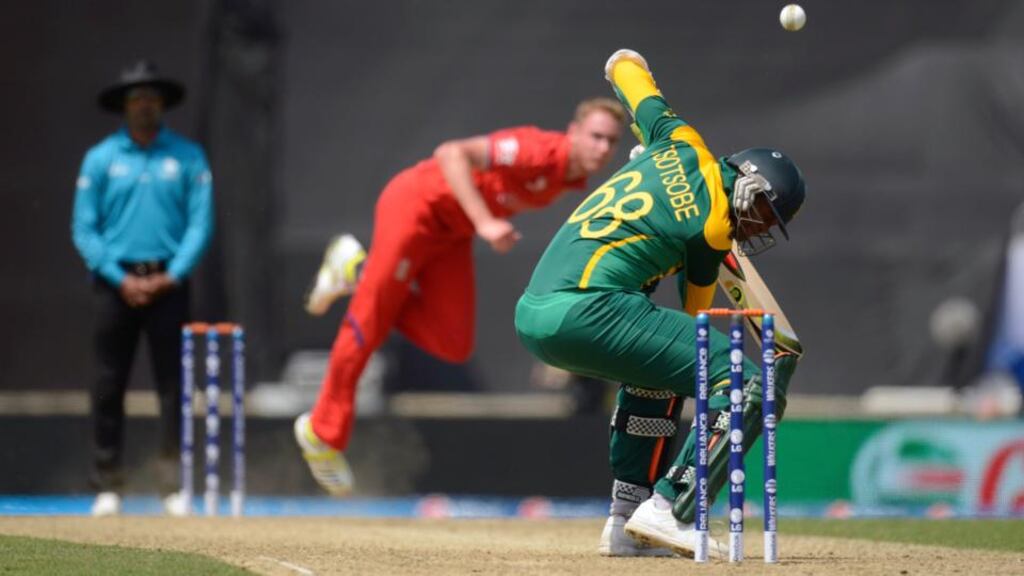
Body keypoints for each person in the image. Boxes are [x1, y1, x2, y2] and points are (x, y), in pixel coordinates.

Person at [514, 49, 806, 558]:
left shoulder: (680, 140)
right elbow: (697, 318)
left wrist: (630, 72)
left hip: (536, 311)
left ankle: (627, 518)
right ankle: (673, 506)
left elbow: (625, 70)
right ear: (749, 186)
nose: (758, 229)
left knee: (660, 374)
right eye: (763, 214)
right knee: (734, 376)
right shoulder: (714, 227)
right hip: (587, 308)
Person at [293, 98, 627, 495]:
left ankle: (357, 273)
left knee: (452, 342)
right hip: (417, 206)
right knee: (368, 324)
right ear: (573, 132)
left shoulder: (570, 177)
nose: (603, 148)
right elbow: (451, 153)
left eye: (611, 141)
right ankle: (322, 433)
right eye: (595, 136)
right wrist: (486, 223)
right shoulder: (537, 150)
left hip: (452, 233)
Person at [71, 61, 214, 516]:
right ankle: (106, 483)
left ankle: (172, 485)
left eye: (152, 97)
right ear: (125, 106)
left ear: (163, 104)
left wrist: (172, 274)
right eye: (136, 98)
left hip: (169, 282)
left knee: (173, 385)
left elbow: (200, 222)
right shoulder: (101, 159)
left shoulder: (188, 157)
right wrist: (120, 277)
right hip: (116, 286)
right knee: (108, 383)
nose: (145, 105)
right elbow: (84, 228)